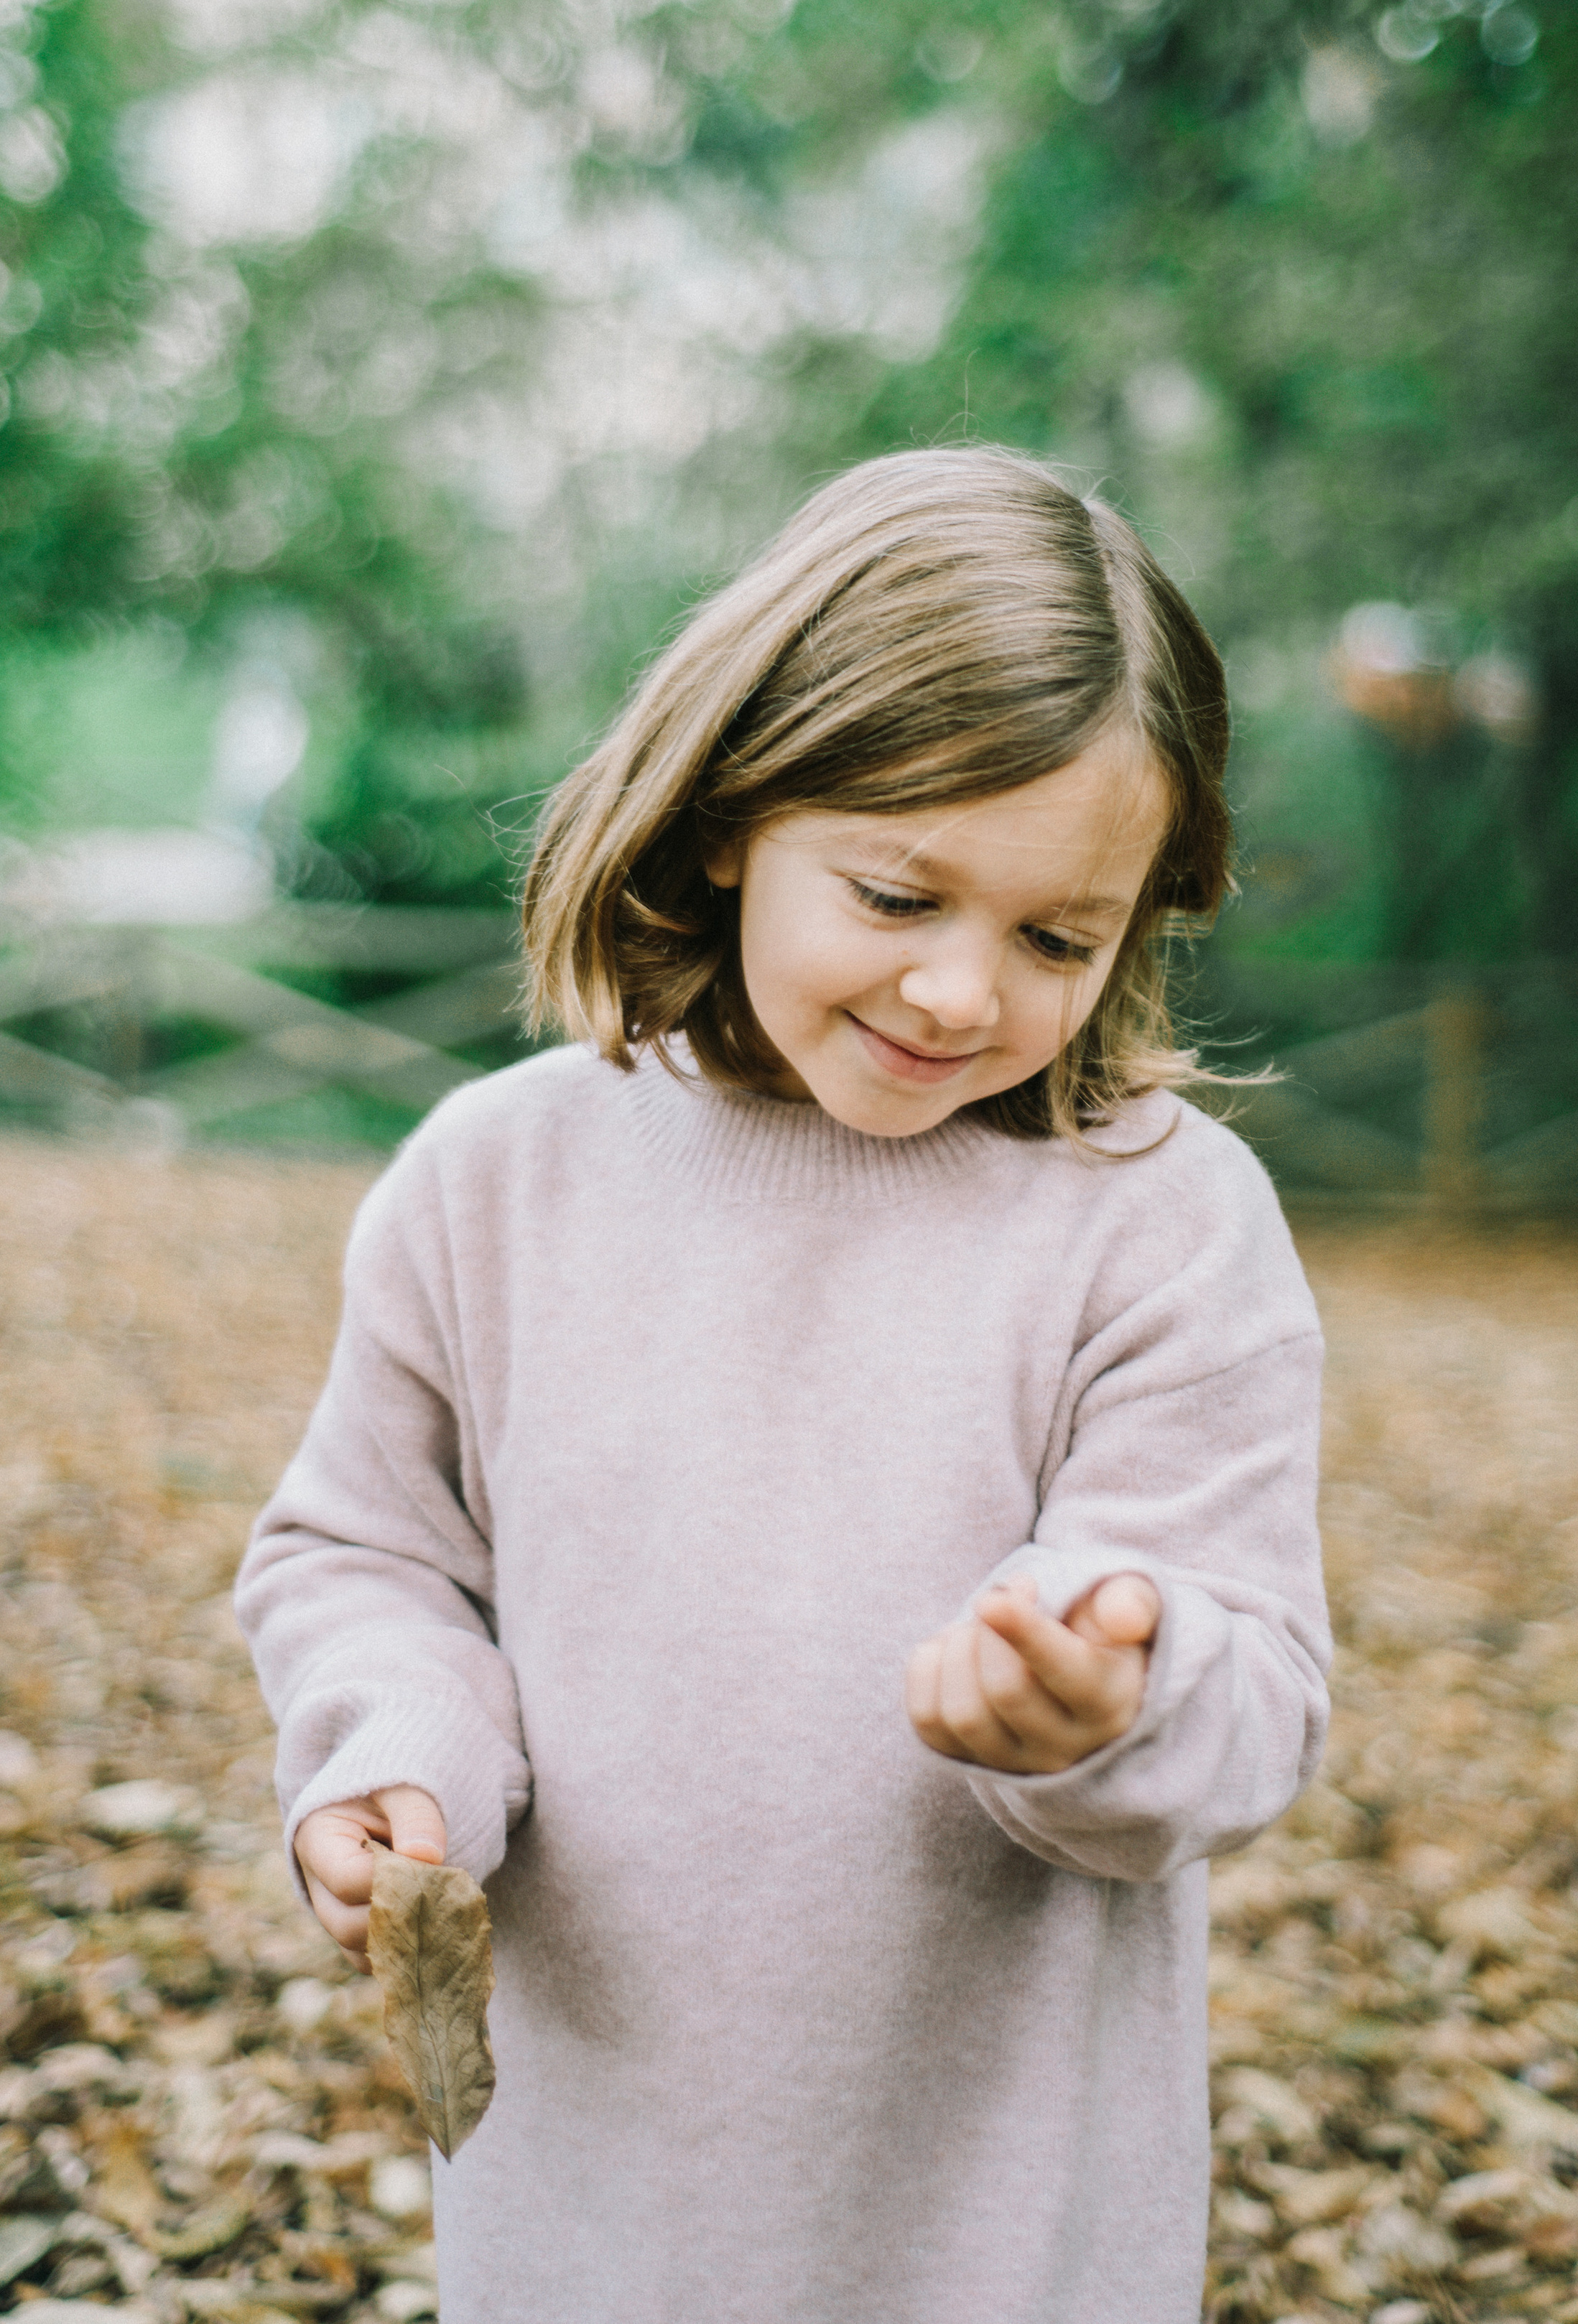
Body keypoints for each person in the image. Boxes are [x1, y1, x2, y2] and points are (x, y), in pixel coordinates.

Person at [235, 445, 1331, 2324]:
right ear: (737, 806)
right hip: (594, 2190)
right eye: (900, 892)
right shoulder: (499, 1181)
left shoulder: (1154, 1224)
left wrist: (1106, 1698)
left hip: (1000, 2212)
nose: (962, 991)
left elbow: (1252, 1675)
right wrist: (394, 1756)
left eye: (1056, 935)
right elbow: (369, 1555)